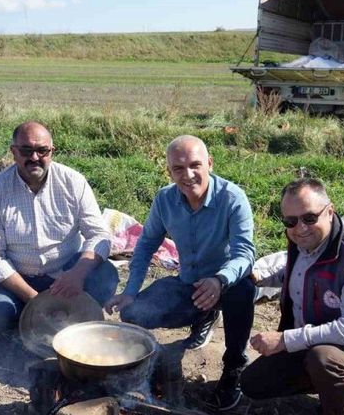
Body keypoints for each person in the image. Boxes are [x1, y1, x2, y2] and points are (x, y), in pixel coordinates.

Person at [105, 135, 256, 412]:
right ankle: (202, 319)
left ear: (209, 163)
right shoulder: (165, 199)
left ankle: (233, 367)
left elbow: (245, 253)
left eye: (195, 165)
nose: (188, 175)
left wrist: (219, 280)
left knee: (244, 292)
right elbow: (145, 246)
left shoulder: (232, 199)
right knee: (134, 312)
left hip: (227, 282)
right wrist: (129, 292)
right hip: (188, 284)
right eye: (178, 168)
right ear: (169, 171)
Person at [241, 178, 344, 415]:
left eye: (309, 218)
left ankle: (339, 404)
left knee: (324, 360)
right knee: (253, 383)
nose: (300, 228)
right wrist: (256, 275)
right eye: (291, 221)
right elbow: (292, 267)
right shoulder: (304, 241)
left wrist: (285, 340)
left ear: (329, 211)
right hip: (324, 336)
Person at [0, 121, 118, 331]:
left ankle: (80, 315)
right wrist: (35, 299)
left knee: (105, 275)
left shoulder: (73, 182)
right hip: (20, 277)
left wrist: (77, 274)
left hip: (66, 272)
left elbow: (99, 235)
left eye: (42, 151)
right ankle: (31, 320)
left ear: (52, 151)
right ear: (14, 152)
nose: (34, 157)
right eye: (26, 150)